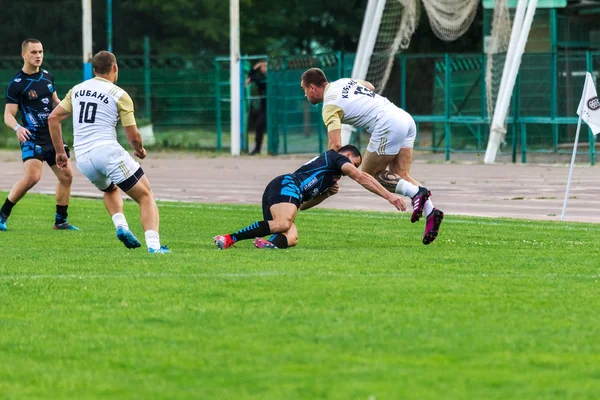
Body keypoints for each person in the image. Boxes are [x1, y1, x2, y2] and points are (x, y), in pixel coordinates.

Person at [300, 68, 444, 245]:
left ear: (313, 87)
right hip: (404, 118)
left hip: (388, 124)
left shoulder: (329, 106)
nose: (305, 95)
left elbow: (335, 145)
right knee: (401, 175)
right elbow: (370, 86)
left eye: (304, 90)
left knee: (369, 174)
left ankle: (417, 193)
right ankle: (431, 212)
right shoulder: (344, 82)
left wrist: (329, 173)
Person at [48, 50, 170, 254]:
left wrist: (60, 152)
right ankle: (154, 247)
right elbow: (133, 135)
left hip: (83, 158)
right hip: (107, 152)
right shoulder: (119, 94)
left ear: (94, 70)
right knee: (145, 196)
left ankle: (121, 226)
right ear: (115, 68)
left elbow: (53, 118)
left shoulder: (77, 89)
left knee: (110, 189)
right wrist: (139, 149)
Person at [213, 144, 405, 250]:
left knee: (292, 237)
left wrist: (326, 194)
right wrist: (390, 196)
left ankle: (266, 244)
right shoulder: (337, 158)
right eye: (354, 163)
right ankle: (229, 238)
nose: (352, 169)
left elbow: (303, 206)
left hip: (288, 193)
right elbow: (360, 177)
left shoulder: (330, 175)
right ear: (347, 155)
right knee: (284, 224)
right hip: (286, 185)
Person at [1, 39, 78, 232]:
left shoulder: (48, 77)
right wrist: (18, 128)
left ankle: (60, 221)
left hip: (53, 135)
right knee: (32, 178)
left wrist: (69, 108)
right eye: (34, 52)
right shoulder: (16, 84)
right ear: (24, 55)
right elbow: (8, 115)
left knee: (67, 176)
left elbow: (56, 102)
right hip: (32, 136)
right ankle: (2, 215)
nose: (38, 56)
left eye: (41, 52)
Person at [244, 61, 267, 155]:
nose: (263, 69)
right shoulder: (261, 79)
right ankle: (257, 149)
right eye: (262, 67)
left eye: (265, 66)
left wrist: (251, 78)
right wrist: (255, 66)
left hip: (275, 106)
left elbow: (253, 78)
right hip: (265, 107)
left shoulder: (272, 77)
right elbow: (252, 76)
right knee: (258, 126)